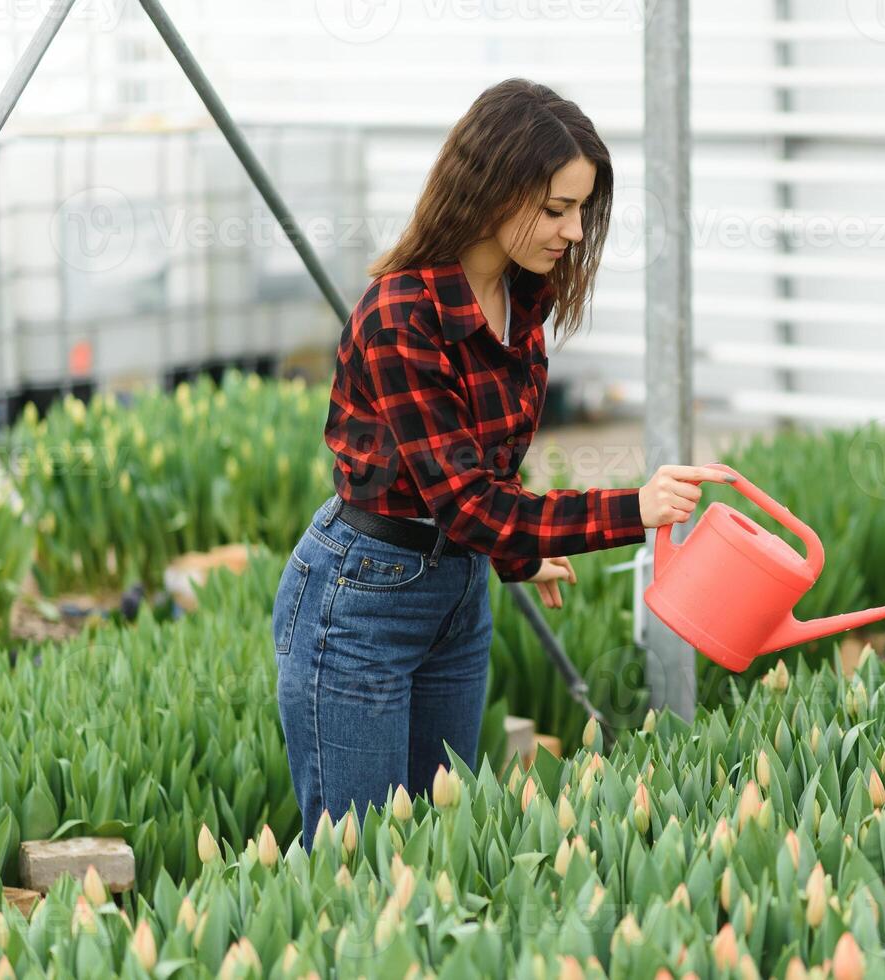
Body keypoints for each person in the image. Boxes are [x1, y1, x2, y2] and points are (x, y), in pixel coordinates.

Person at [272, 78, 735, 851]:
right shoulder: (403, 314)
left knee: (436, 849)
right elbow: (468, 503)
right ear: (489, 190)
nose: (575, 232)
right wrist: (635, 509)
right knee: (354, 868)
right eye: (555, 210)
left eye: (582, 209)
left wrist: (521, 557)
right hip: (360, 602)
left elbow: (485, 471)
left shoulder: (525, 302)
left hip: (457, 599)